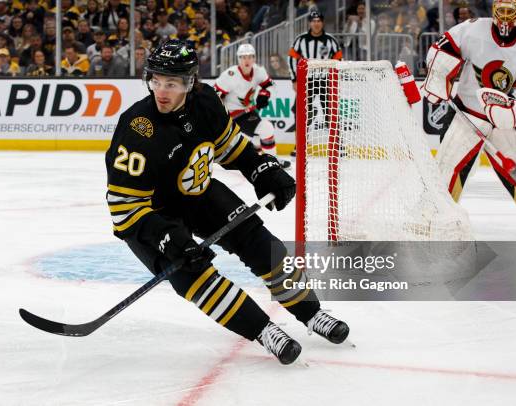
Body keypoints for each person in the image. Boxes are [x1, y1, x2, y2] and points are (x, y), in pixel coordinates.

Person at [105, 39, 350, 365]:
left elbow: (230, 147)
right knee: (194, 276)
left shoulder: (205, 101)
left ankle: (311, 313)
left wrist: (262, 169)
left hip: (200, 193)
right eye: (156, 81)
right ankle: (264, 330)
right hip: (151, 217)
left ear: (190, 82)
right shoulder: (138, 128)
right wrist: (166, 237)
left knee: (263, 245)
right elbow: (124, 210)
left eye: (172, 83)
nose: (161, 91)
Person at [422, 0, 516, 209]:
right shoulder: (473, 28)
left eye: (510, 11)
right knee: (446, 171)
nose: (505, 17)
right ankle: (434, 220)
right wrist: (439, 75)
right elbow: (442, 48)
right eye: (501, 10)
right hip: (466, 116)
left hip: (502, 124)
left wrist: (515, 111)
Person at [214, 44, 290, 168]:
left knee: (265, 129)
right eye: (243, 57)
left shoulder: (259, 70)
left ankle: (272, 160)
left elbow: (270, 85)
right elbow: (214, 96)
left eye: (250, 57)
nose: (247, 60)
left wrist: (265, 94)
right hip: (231, 116)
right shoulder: (230, 75)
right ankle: (260, 156)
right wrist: (219, 116)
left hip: (247, 112)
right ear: (238, 59)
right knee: (264, 129)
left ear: (254, 58)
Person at [288, 9, 342, 156]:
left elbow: (339, 60)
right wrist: (294, 79)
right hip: (307, 81)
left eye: (319, 21)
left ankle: (337, 145)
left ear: (322, 22)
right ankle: (299, 145)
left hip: (325, 81)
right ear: (310, 23)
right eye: (313, 21)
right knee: (301, 112)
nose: (316, 23)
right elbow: (292, 59)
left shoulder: (331, 41)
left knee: (331, 111)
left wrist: (334, 79)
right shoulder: (301, 40)